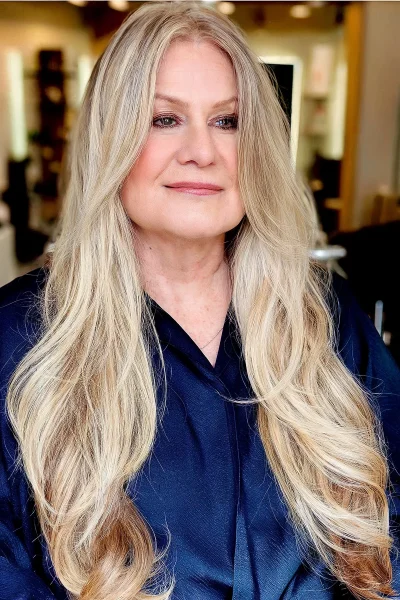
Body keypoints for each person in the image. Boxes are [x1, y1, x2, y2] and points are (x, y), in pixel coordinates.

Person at [1, 2, 400, 599]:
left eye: (227, 121)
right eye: (164, 119)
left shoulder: (325, 318)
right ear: (112, 137)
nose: (202, 151)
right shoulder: (21, 337)